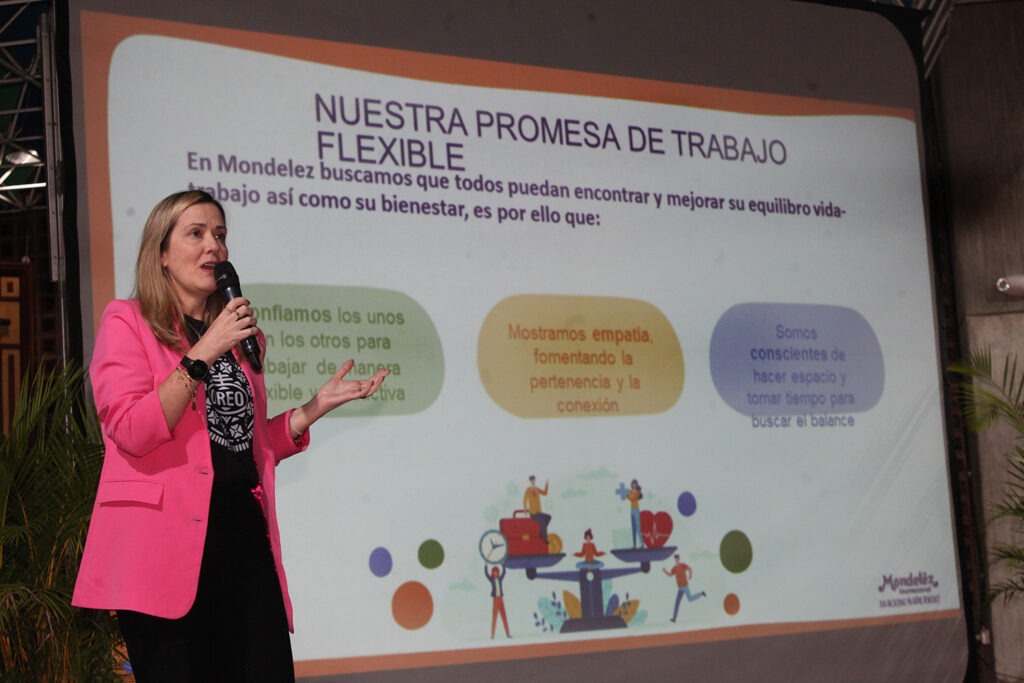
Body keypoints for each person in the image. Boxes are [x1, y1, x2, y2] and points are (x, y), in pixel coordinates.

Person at [72, 190, 389, 683]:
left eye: (219, 235)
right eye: (196, 234)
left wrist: (313, 408)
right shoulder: (128, 321)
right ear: (161, 252)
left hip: (241, 531)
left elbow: (242, 445)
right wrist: (204, 350)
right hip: (164, 548)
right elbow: (131, 430)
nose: (213, 247)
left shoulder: (244, 339)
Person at [663, 554, 706, 622]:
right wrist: (664, 571)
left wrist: (690, 575)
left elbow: (690, 568)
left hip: (685, 586)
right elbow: (670, 575)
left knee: (690, 599)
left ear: (679, 559)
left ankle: (701, 594)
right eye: (675, 559)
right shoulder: (674, 568)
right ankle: (674, 618)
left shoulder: (683, 565)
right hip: (680, 588)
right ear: (674, 560)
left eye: (677, 559)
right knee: (677, 603)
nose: (676, 560)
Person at [522, 474, 551, 543]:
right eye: (532, 480)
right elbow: (524, 499)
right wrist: (525, 510)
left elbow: (545, 493)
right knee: (543, 523)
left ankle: (541, 532)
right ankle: (544, 539)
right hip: (533, 513)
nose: (533, 481)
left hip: (539, 512)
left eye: (534, 480)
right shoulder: (528, 490)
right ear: (530, 481)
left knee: (548, 517)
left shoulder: (537, 489)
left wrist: (547, 484)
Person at [486, 565, 511, 639]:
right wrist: (486, 566)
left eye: (496, 572)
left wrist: (503, 565)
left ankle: (508, 634)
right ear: (492, 573)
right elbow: (486, 574)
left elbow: (504, 573)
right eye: (494, 572)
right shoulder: (491, 580)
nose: (495, 573)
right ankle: (492, 635)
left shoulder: (500, 579)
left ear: (498, 573)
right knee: (494, 617)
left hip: (501, 598)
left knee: (504, 616)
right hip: (495, 599)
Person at [626, 479, 644, 548]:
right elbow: (628, 496)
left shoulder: (637, 492)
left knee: (638, 528)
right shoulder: (631, 491)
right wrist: (628, 494)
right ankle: (634, 545)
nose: (633, 485)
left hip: (636, 510)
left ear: (636, 485)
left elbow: (632, 498)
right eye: (632, 484)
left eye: (635, 484)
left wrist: (628, 495)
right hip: (632, 510)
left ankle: (642, 544)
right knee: (633, 528)